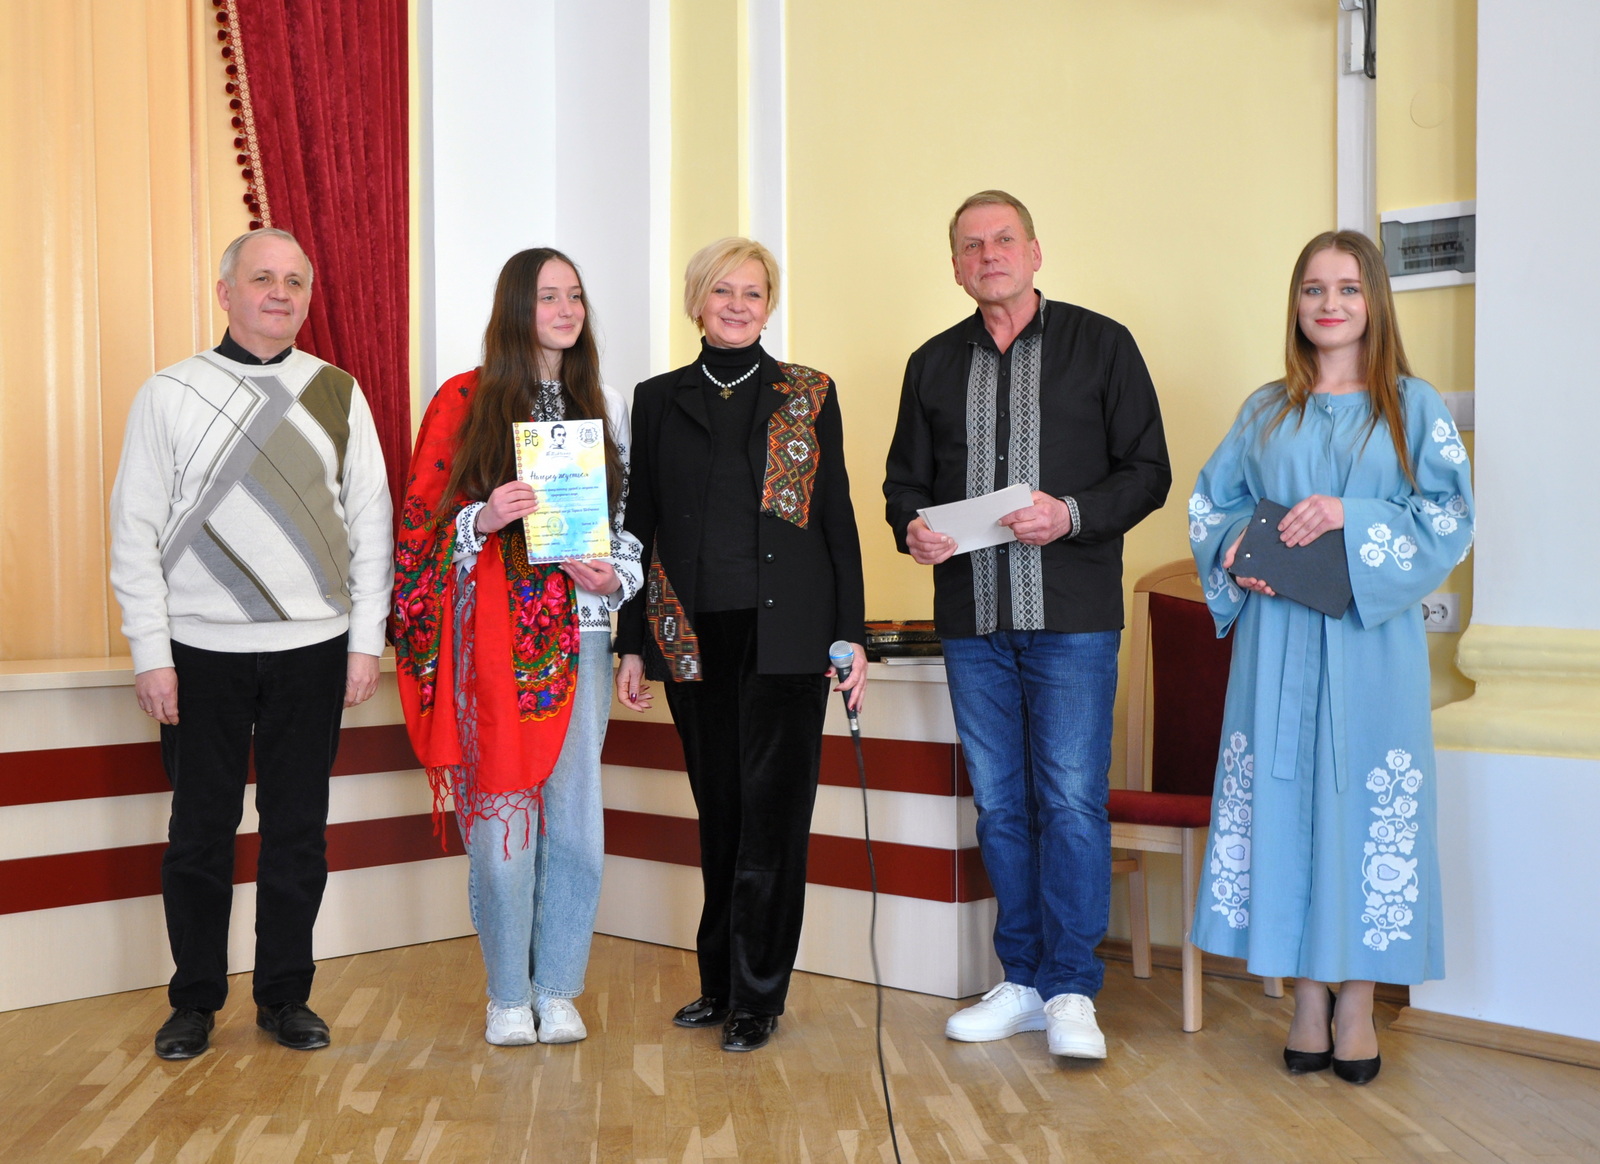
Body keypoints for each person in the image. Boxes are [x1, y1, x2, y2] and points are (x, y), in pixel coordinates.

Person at [884, 191, 1170, 1059]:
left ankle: (1072, 988)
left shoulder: (1103, 344)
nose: (989, 255)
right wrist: (912, 529)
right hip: (972, 620)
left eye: (1004, 239)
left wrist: (1071, 514)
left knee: (1072, 802)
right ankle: (1021, 981)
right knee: (1002, 807)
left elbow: (1148, 471)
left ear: (1036, 252)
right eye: (972, 245)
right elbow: (903, 483)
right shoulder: (931, 363)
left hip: (1073, 618)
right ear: (956, 266)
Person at [1187, 230, 1473, 1084]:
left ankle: (1358, 1002)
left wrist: (1355, 516)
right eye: (1313, 288)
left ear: (1374, 300)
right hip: (1276, 642)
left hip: (1369, 645)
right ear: (1297, 304)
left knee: (1360, 811)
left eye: (1348, 288)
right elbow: (1211, 506)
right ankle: (1306, 997)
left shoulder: (1413, 407)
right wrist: (1236, 551)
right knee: (1286, 806)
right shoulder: (1265, 410)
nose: (1330, 304)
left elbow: (1450, 516)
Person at [109, 228, 393, 1060]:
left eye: (295, 281)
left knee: (297, 833)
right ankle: (194, 1001)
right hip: (200, 654)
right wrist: (152, 653)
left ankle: (284, 997)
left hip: (315, 647)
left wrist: (364, 642)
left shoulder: (339, 392)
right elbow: (133, 531)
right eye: (263, 277)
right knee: (199, 835)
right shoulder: (168, 392)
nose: (280, 292)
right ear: (225, 291)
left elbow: (370, 522)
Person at [614, 237, 866, 1053]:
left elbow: (835, 516)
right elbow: (639, 525)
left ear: (769, 305)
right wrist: (630, 643)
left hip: (789, 635)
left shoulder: (808, 392)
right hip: (689, 633)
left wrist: (850, 634)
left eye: (752, 292)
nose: (737, 305)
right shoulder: (658, 399)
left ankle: (759, 996)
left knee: (774, 820)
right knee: (720, 812)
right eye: (723, 290)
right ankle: (719, 983)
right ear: (697, 301)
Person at [392, 248, 641, 1047]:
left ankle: (558, 988)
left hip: (585, 636)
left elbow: (630, 526)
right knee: (504, 822)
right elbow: (418, 531)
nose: (566, 310)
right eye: (547, 297)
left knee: (575, 823)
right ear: (514, 309)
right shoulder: (463, 401)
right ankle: (507, 994)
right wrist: (486, 517)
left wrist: (616, 574)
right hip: (493, 647)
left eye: (575, 296)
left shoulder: (602, 405)